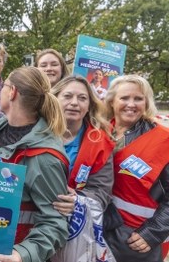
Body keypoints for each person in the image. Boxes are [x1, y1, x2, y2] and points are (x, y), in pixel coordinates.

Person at [0, 66, 69, 262]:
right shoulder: (2, 124)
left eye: (4, 85)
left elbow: (55, 223)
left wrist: (21, 255)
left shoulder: (44, 156)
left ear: (12, 92)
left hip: (3, 254)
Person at [103, 75, 169, 262]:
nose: (131, 104)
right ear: (112, 101)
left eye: (138, 99)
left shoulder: (164, 140)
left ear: (146, 103)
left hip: (135, 241)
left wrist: (153, 233)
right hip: (96, 230)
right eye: (124, 98)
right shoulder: (98, 131)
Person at [50, 75, 115, 262]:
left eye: (82, 98)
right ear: (55, 98)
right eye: (67, 96)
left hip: (76, 232)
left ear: (89, 105)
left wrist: (79, 201)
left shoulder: (100, 142)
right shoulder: (34, 132)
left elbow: (102, 191)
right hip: (34, 225)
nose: (74, 103)